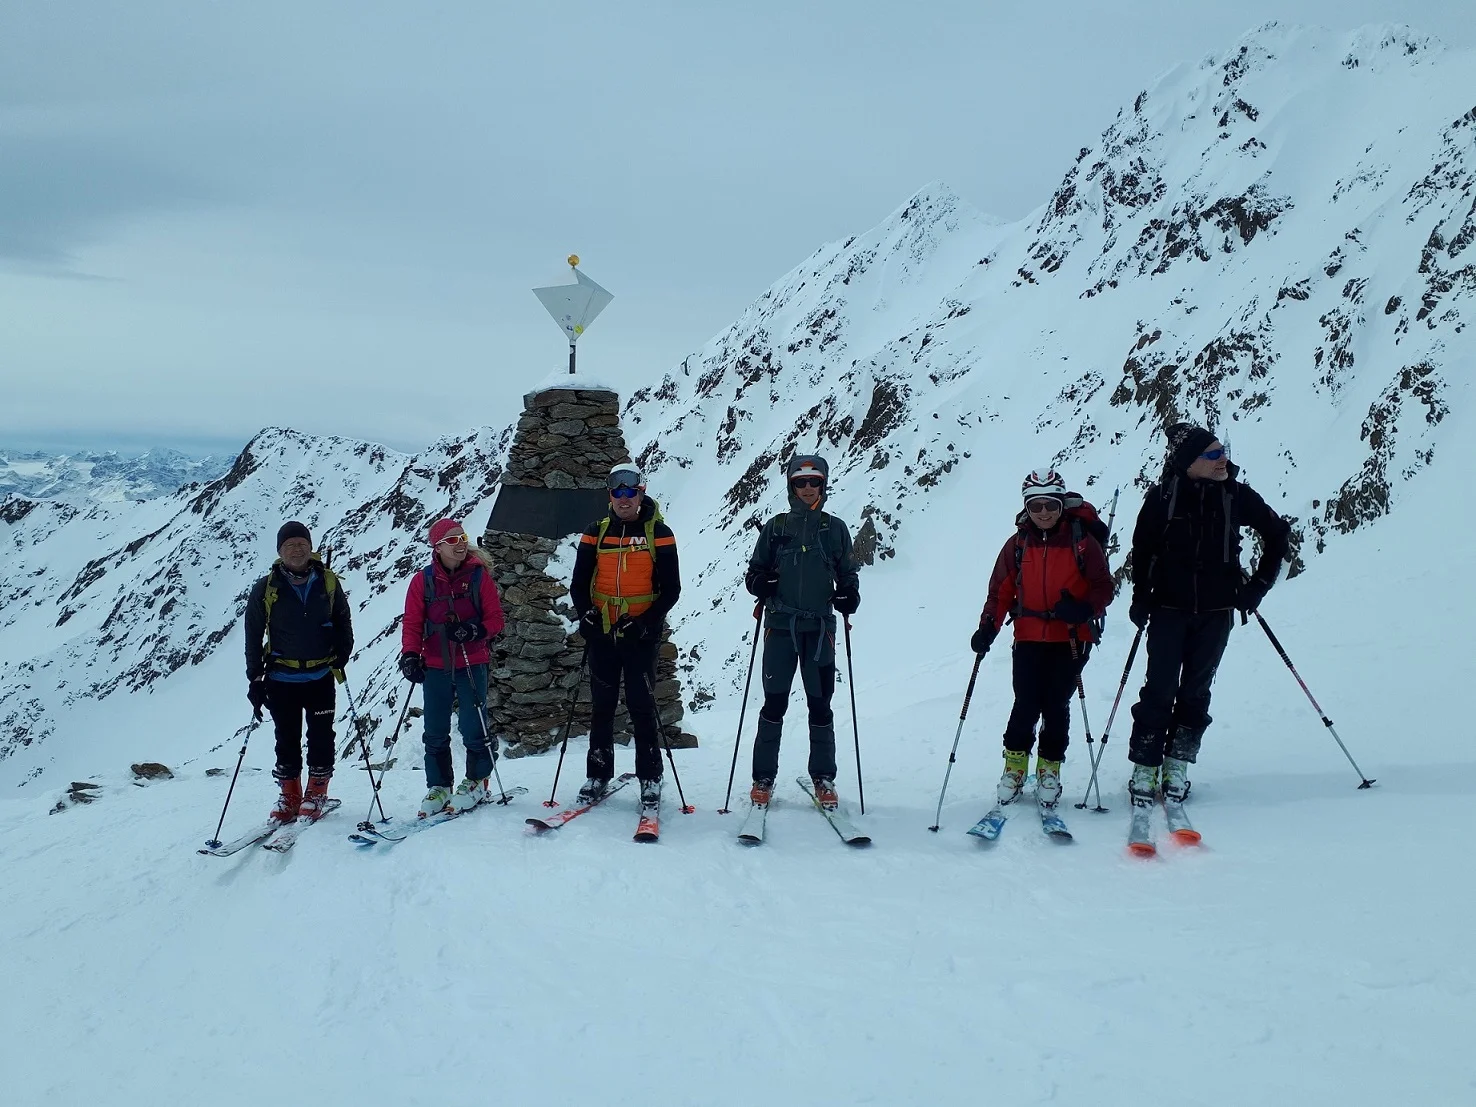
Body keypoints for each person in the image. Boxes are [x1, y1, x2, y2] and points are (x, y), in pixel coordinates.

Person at [1125, 423, 1291, 806]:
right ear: (1188, 463)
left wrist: (1257, 587)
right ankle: (1145, 765)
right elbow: (1143, 549)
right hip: (1168, 609)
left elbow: (1277, 534)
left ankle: (1177, 762)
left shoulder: (1236, 495)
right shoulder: (1162, 498)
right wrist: (1140, 596)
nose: (1223, 461)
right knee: (1159, 689)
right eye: (1213, 454)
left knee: (1196, 690)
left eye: (1222, 452)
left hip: (1216, 612)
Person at [972, 470, 1114, 813]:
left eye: (1050, 505)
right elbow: (1000, 590)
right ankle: (1015, 768)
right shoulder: (1018, 544)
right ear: (1027, 507)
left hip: (1071, 636)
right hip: (1029, 635)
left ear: (1061, 503)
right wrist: (988, 626)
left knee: (1056, 705)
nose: (1044, 513)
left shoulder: (1083, 541)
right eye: (1036, 506)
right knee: (1025, 703)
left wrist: (1083, 609)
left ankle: (1049, 769)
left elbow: (1103, 586)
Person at [743, 454, 860, 809]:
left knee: (820, 705)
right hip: (781, 626)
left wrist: (849, 595)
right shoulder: (776, 528)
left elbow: (848, 573)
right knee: (774, 702)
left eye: (814, 482)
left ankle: (823, 778)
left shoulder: (835, 528)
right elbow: (753, 573)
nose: (808, 488)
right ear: (791, 486)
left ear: (823, 485)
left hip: (820, 628)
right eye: (800, 482)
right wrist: (760, 583)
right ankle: (763, 778)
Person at [569, 463, 681, 811]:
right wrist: (586, 614)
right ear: (610, 495)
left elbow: (671, 590)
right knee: (601, 706)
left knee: (641, 706)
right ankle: (598, 774)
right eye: (617, 491)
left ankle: (650, 777)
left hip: (639, 637)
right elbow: (579, 583)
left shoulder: (659, 533)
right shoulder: (595, 532)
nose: (623, 498)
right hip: (603, 633)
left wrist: (646, 624)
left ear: (640, 493)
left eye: (630, 491)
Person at [244, 521, 354, 824]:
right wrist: (255, 678)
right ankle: (291, 795)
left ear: (310, 546)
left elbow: (343, 620)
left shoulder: (328, 582)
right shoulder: (266, 588)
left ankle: (315, 793)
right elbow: (253, 634)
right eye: (289, 544)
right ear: (280, 551)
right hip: (281, 677)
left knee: (321, 736)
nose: (296, 548)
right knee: (286, 737)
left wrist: (342, 652)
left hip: (320, 675)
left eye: (301, 542)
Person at [399, 518, 506, 817]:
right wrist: (410, 655)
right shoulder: (423, 581)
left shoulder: (478, 577)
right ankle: (439, 786)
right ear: (438, 547)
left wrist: (473, 631)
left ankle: (476, 781)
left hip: (472, 662)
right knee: (434, 729)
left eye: (462, 538)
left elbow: (496, 619)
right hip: (434, 664)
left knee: (473, 725)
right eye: (453, 540)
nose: (460, 545)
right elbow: (412, 623)